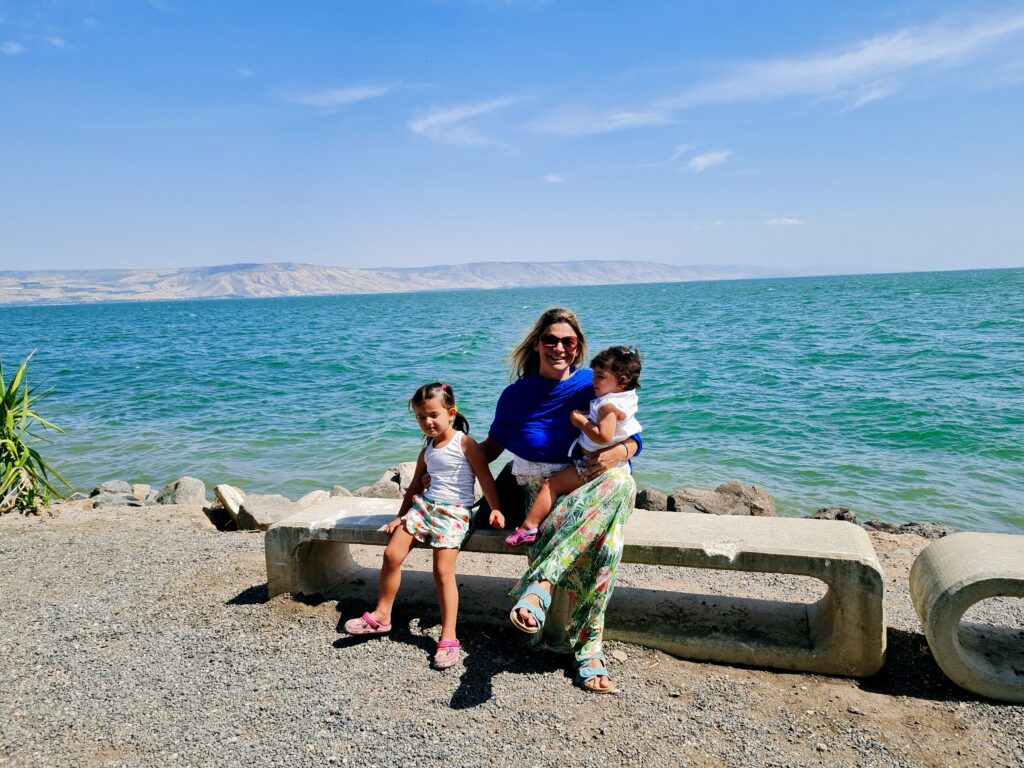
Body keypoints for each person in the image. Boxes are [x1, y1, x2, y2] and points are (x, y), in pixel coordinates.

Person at [480, 308, 640, 693]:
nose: (559, 348)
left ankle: (540, 587)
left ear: (578, 347)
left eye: (568, 341)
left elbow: (633, 432)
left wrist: (625, 451)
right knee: (605, 547)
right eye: (550, 339)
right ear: (537, 344)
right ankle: (589, 651)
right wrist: (438, 464)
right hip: (545, 493)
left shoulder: (597, 385)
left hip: (595, 486)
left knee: (619, 481)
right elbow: (489, 449)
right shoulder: (516, 397)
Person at [343, 381, 505, 670]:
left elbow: (485, 478)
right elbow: (415, 485)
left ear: (451, 413)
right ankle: (382, 615)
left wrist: (495, 509)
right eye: (421, 417)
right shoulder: (427, 450)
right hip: (423, 508)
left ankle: (449, 635)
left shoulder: (465, 444)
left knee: (442, 572)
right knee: (392, 555)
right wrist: (400, 515)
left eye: (433, 415)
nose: (428, 422)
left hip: (454, 513)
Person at [505, 345, 642, 547]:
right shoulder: (617, 396)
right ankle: (531, 529)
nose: (594, 380)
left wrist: (581, 421)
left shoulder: (607, 404)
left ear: (622, 382)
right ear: (537, 344)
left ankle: (528, 527)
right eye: (595, 374)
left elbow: (606, 436)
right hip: (593, 466)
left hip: (591, 466)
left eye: (600, 376)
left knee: (552, 484)